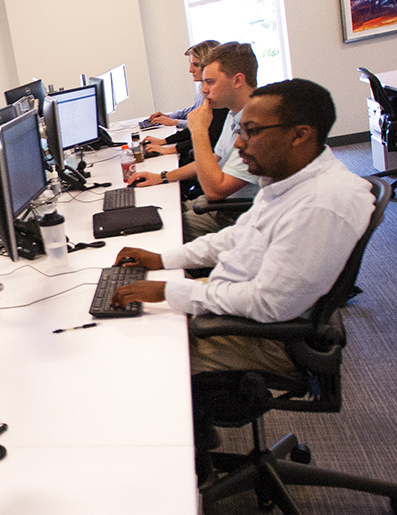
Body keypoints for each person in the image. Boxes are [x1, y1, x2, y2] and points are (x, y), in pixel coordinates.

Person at [110, 79, 374, 375]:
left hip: (267, 338)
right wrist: (162, 260)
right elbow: (239, 236)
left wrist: (168, 290)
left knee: (135, 357)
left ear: (300, 135)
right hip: (237, 298)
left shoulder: (321, 205)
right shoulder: (288, 178)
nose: (238, 142)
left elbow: (268, 304)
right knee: (125, 322)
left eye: (252, 132)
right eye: (240, 130)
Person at [129, 42, 260, 240]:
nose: (204, 90)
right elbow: (213, 159)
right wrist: (163, 176)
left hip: (234, 215)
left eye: (211, 82)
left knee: (159, 233)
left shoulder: (257, 125)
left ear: (237, 80)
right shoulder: (234, 114)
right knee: (155, 212)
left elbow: (217, 190)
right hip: (216, 202)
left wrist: (199, 130)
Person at [147, 40, 221, 129]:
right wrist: (170, 116)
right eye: (190, 64)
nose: (190, 70)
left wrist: (175, 122)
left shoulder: (217, 94)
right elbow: (194, 109)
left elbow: (206, 124)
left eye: (195, 65)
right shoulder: (202, 86)